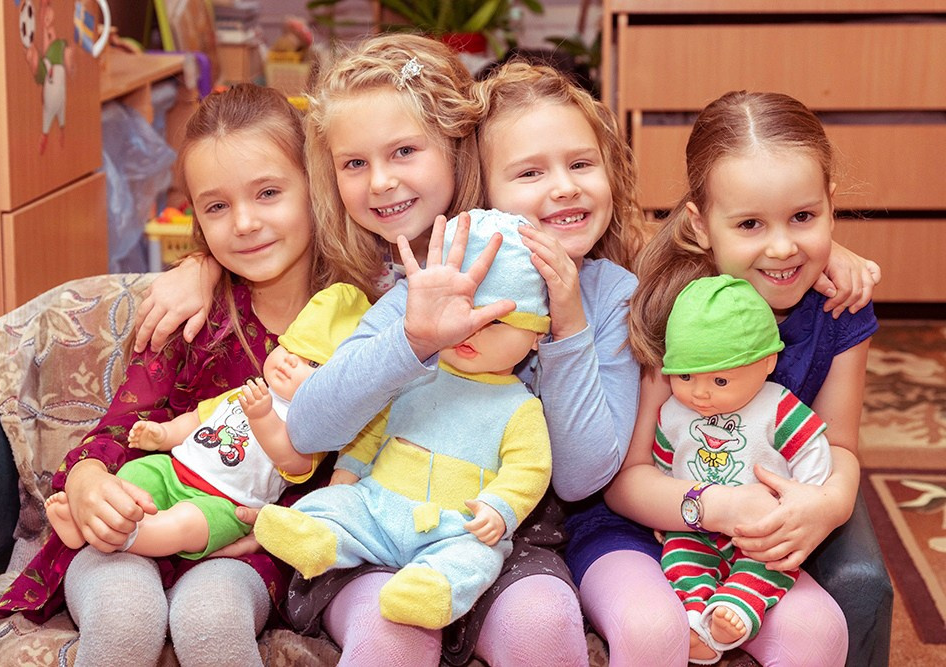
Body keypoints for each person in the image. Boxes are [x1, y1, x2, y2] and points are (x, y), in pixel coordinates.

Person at [134, 58, 880, 665]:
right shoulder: (424, 276)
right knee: (394, 629)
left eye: (579, 163)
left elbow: (588, 471)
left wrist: (566, 329)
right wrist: (413, 337)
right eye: (529, 172)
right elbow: (310, 429)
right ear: (480, 187)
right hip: (374, 528)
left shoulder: (624, 295)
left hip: (514, 537)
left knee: (540, 619)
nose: (560, 187)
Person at [0, 83, 330, 667]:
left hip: (242, 551)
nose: (245, 223)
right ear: (195, 215)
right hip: (132, 528)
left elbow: (364, 467)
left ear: (315, 187)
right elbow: (120, 428)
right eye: (217, 206)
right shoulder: (190, 315)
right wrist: (88, 481)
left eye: (269, 192)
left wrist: (278, 529)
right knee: (125, 618)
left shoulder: (357, 327)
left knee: (211, 621)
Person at [565, 90, 880, 666]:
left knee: (819, 632)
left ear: (830, 208)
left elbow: (838, 445)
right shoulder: (672, 304)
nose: (782, 245)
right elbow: (625, 480)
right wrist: (720, 508)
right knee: (651, 627)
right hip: (638, 529)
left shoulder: (840, 309)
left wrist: (829, 504)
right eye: (750, 223)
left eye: (804, 217)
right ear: (701, 224)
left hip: (751, 548)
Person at [256, 209, 552, 631]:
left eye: (496, 320)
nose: (470, 330)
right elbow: (374, 427)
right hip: (379, 503)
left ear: (537, 335)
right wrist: (347, 472)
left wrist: (500, 509)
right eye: (458, 310)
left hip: (457, 526)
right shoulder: (415, 370)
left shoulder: (520, 407)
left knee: (476, 556)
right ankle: (316, 535)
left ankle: (431, 587)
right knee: (337, 507)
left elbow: (530, 468)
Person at [44, 283, 369, 560]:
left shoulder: (312, 422)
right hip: (174, 471)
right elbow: (199, 417)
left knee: (187, 523)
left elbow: (294, 462)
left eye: (311, 362)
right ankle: (90, 522)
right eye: (288, 348)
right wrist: (162, 435)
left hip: (225, 503)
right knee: (135, 475)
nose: (290, 362)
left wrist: (262, 417)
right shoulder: (249, 389)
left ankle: (126, 538)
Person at [655, 275, 834, 664]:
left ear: (768, 362)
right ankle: (694, 614)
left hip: (763, 530)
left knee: (772, 565)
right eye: (685, 376)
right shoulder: (672, 412)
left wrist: (807, 501)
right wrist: (665, 509)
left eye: (720, 380)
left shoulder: (777, 408)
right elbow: (663, 464)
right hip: (697, 527)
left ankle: (737, 608)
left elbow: (813, 452)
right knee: (678, 557)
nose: (700, 393)